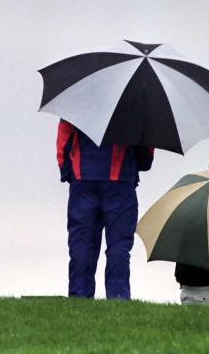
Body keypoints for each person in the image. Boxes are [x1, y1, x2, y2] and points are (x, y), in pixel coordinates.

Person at [56, 119, 154, 300]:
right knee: (119, 244)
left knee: (82, 242)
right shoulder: (137, 106)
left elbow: (63, 143)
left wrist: (69, 174)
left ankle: (79, 296)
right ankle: (118, 298)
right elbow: (146, 158)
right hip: (120, 183)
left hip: (83, 180)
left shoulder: (76, 101)